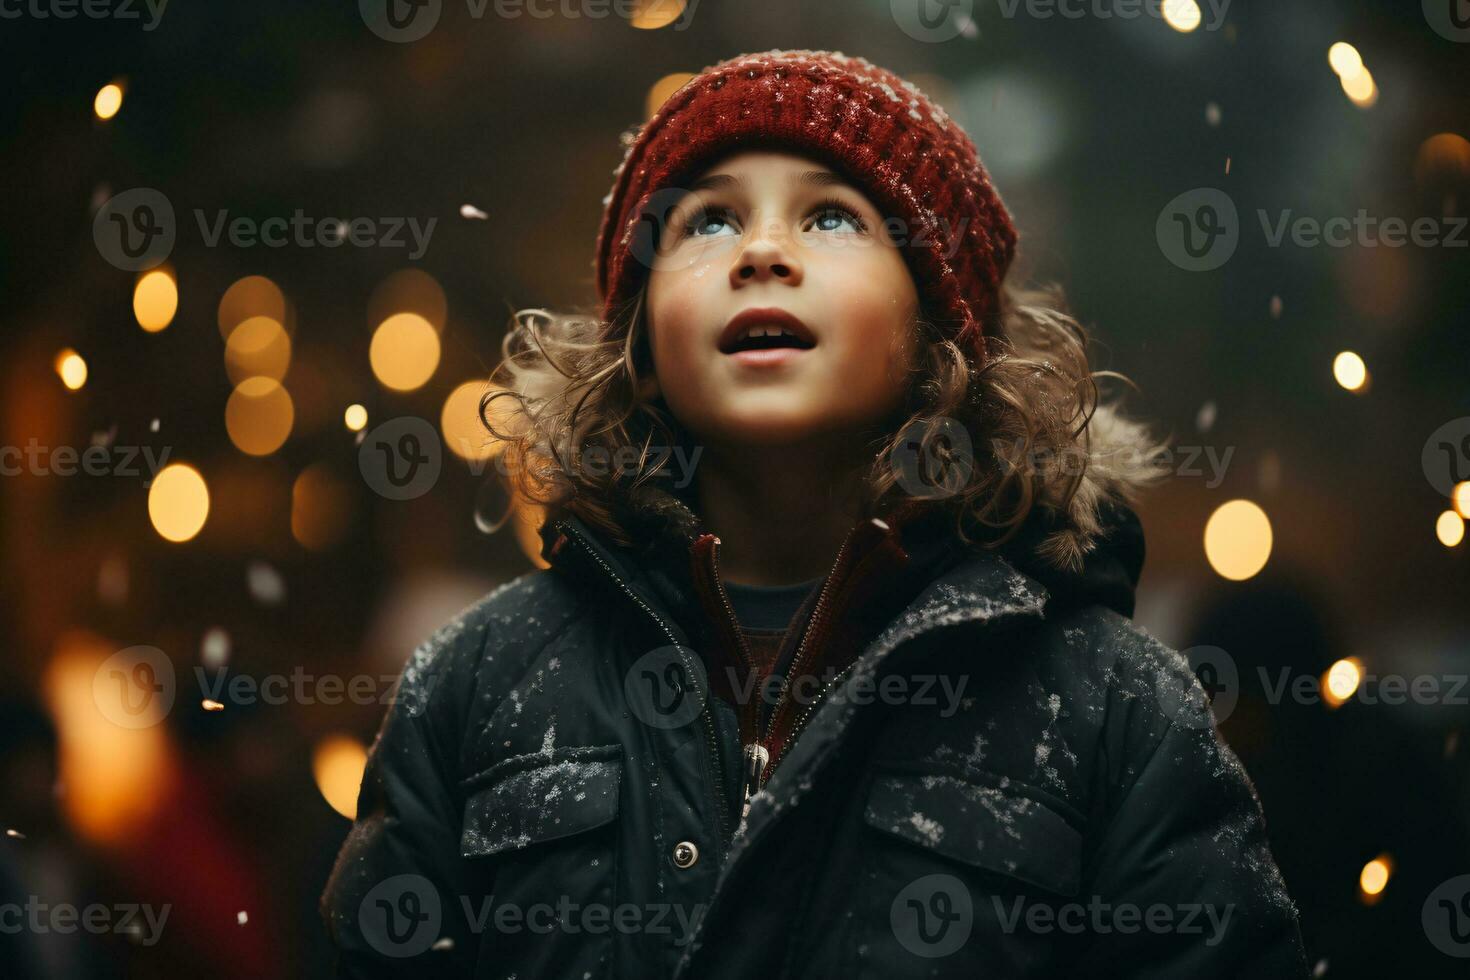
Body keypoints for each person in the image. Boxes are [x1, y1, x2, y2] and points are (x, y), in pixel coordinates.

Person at [322, 49, 1307, 978]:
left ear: (938, 325)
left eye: (833, 216)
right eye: (705, 221)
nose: (759, 249)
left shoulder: (1112, 709)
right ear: (640, 338)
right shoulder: (475, 683)